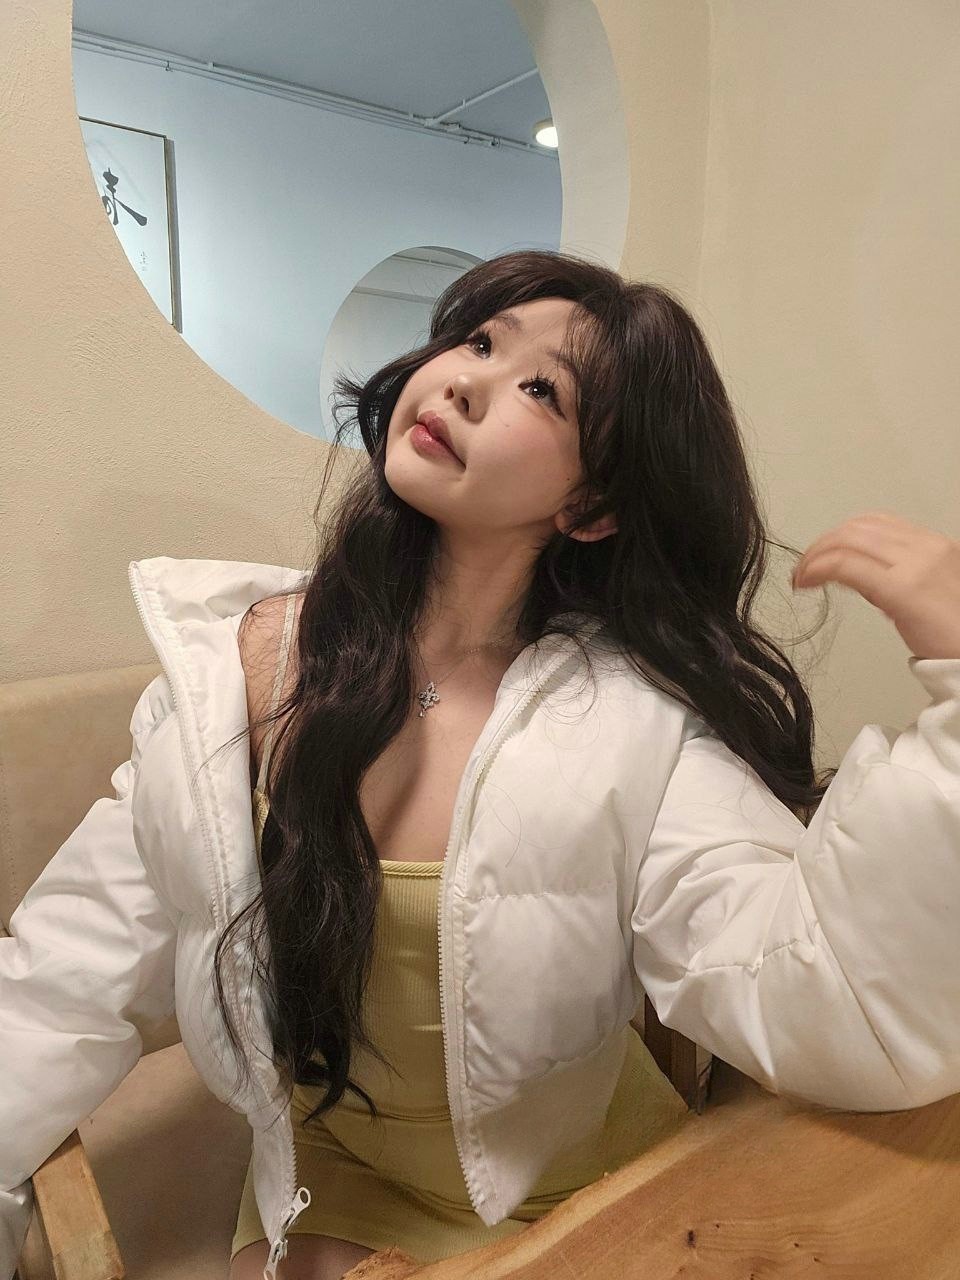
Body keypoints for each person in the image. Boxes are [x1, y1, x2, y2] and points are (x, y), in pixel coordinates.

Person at [3, 249, 959, 1280]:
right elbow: (63, 983)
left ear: (591, 507)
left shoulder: (636, 726)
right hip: (326, 1195)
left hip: (594, 1202)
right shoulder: (226, 678)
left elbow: (824, 994)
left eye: (542, 389)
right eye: (477, 341)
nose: (464, 380)